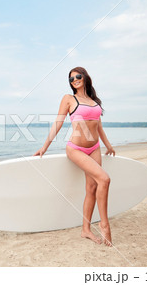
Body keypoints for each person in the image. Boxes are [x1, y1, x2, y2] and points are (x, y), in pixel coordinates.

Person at [33, 66, 116, 246]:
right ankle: (104, 224)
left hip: (95, 148)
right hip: (76, 149)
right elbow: (58, 123)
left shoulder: (94, 101)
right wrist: (44, 147)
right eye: (71, 79)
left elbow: (98, 126)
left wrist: (108, 146)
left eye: (78, 76)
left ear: (85, 77)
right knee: (105, 179)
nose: (75, 80)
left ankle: (85, 230)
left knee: (92, 188)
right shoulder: (69, 99)